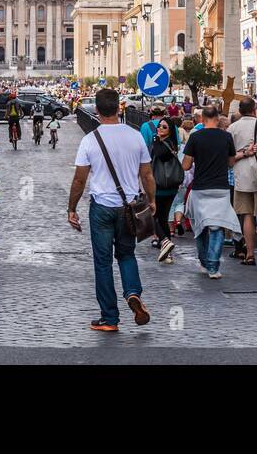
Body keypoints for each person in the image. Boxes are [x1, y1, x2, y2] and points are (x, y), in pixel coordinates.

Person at [67, 88, 154, 332]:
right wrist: (152, 200)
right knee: (126, 254)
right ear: (120, 108)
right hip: (129, 207)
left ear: (96, 110)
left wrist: (71, 208)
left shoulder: (89, 140)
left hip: (102, 207)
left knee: (103, 262)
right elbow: (146, 174)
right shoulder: (135, 136)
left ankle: (110, 318)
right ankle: (133, 293)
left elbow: (79, 180)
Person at [181, 104, 238, 279]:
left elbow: (186, 165)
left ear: (202, 119)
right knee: (217, 227)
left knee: (200, 227)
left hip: (200, 187)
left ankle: (204, 262)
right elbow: (231, 162)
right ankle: (214, 267)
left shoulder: (195, 137)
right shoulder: (227, 137)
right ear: (218, 117)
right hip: (221, 187)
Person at [226, 96, 257, 267]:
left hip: (241, 176)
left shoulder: (232, 128)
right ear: (255, 110)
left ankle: (249, 254)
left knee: (246, 214)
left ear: (239, 111)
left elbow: (228, 157)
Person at [148, 117, 183, 262]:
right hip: (168, 187)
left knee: (152, 217)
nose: (160, 129)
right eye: (159, 126)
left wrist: (156, 139)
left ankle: (164, 241)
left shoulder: (168, 143)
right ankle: (167, 252)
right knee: (162, 218)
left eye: (164, 127)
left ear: (170, 131)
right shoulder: (167, 143)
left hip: (162, 187)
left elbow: (160, 154)